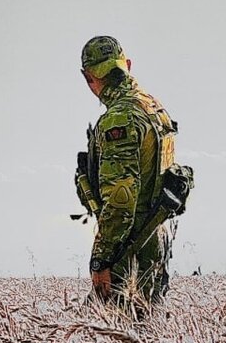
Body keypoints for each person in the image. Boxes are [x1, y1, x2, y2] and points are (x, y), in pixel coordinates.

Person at [76, 35, 183, 309]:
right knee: (150, 331)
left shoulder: (119, 118)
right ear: (128, 65)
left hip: (129, 245)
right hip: (157, 239)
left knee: (110, 337)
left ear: (89, 77)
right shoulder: (153, 107)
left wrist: (102, 259)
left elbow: (121, 200)